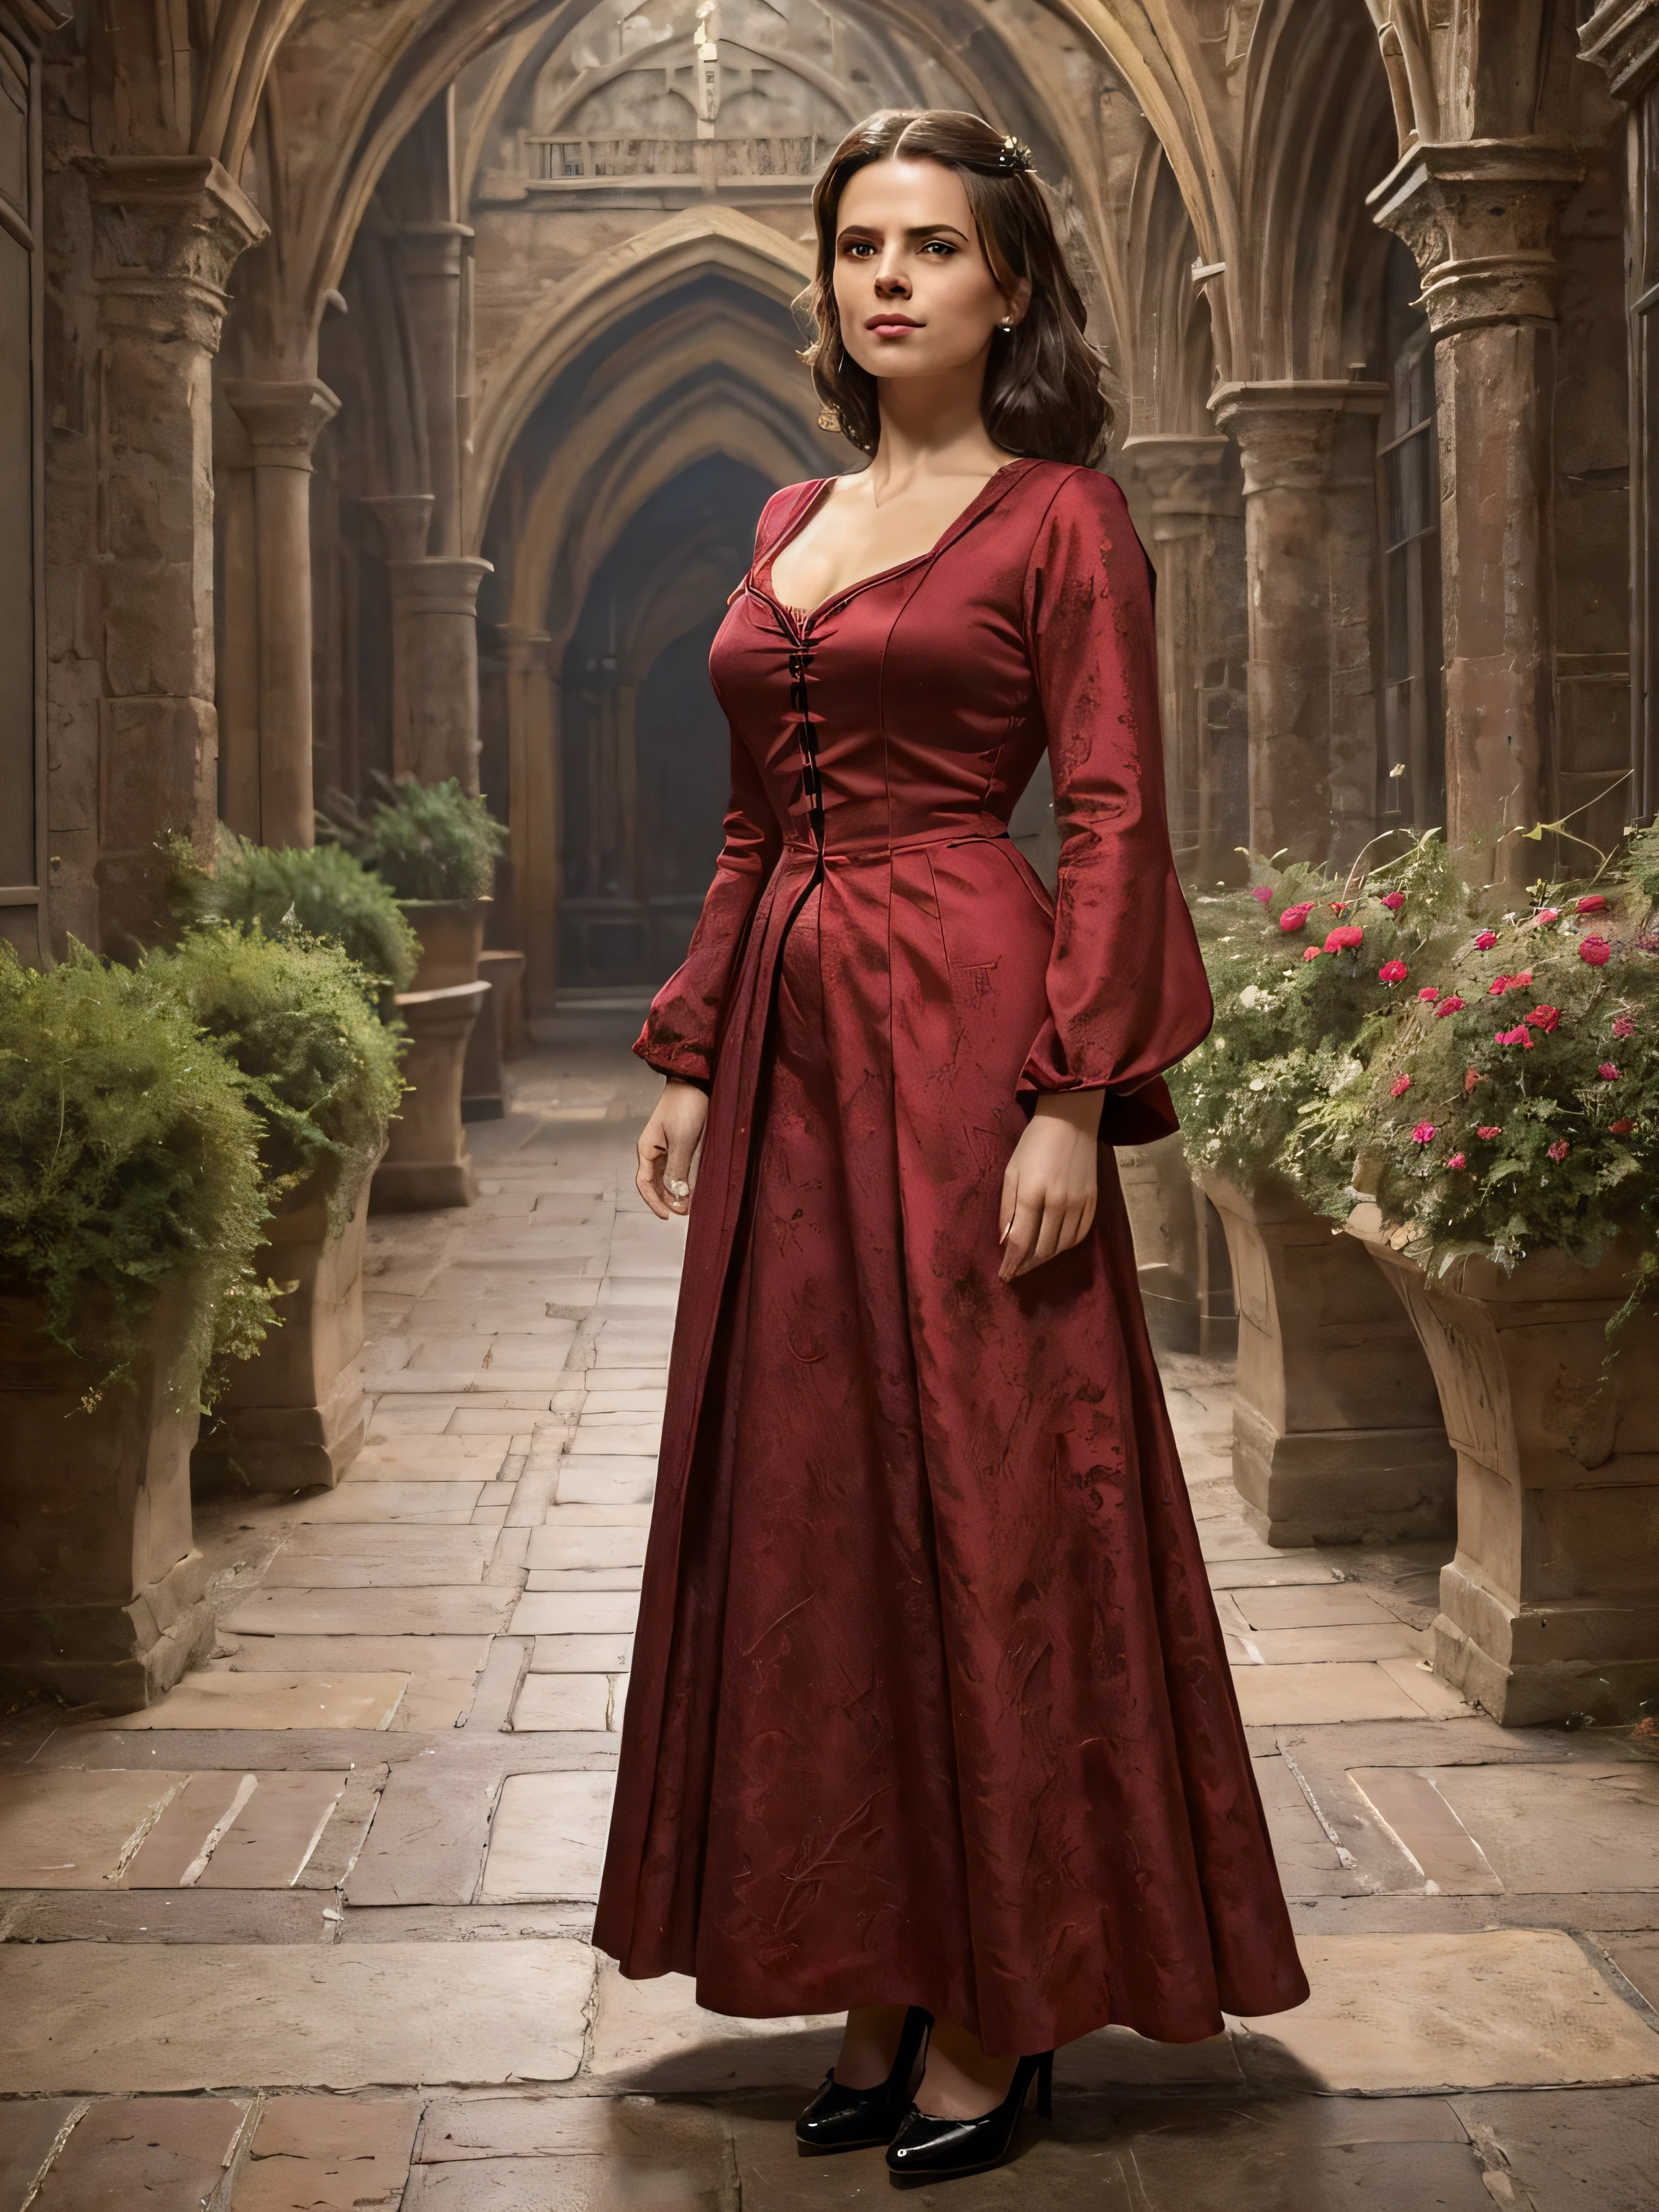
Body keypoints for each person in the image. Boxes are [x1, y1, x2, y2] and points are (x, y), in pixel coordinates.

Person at [592, 107, 1308, 2182]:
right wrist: (695, 1051)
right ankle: (877, 1977)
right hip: (799, 1073)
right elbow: (754, 822)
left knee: (991, 1502)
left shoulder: (1067, 520)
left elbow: (1109, 815)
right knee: (817, 1508)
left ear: (1008, 288)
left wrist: (1074, 1092)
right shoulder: (787, 512)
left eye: (930, 246)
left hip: (974, 1038)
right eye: (857, 245)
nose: (885, 276)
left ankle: (1003, 2009)